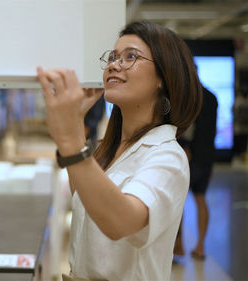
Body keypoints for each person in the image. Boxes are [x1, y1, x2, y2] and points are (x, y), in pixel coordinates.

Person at [36, 21, 202, 281]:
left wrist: (70, 139)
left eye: (131, 57)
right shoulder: (108, 147)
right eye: (113, 57)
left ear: (162, 77)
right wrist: (77, 128)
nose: (114, 64)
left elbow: (120, 222)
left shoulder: (167, 156)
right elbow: (86, 198)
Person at [174, 86, 218, 260]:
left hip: (190, 155)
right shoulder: (212, 97)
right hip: (207, 158)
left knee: (179, 201)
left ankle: (179, 245)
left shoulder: (190, 96)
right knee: (201, 199)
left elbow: (189, 128)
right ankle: (200, 246)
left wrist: (184, 145)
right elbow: (212, 131)